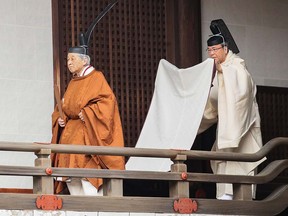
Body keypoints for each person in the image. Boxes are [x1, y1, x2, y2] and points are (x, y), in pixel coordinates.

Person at [198, 32, 265, 200]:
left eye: (215, 49)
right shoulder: (218, 71)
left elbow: (241, 91)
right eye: (209, 50)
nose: (212, 53)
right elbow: (212, 108)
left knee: (240, 163)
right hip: (226, 127)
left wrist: (222, 70)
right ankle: (224, 195)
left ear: (225, 49)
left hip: (243, 129)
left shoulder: (237, 67)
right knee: (224, 163)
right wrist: (193, 124)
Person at [51, 45, 125, 195]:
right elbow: (65, 106)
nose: (69, 63)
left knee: (87, 177)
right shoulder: (74, 82)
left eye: (73, 59)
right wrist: (61, 117)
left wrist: (88, 112)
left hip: (87, 136)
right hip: (70, 137)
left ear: (84, 60)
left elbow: (108, 103)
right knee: (72, 180)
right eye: (67, 59)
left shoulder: (96, 77)